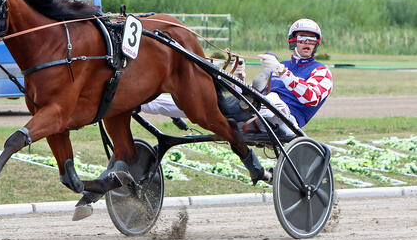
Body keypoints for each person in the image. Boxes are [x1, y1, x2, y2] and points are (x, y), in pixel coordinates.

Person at [140, 18, 333, 185]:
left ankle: (245, 102)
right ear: (293, 42)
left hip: (286, 121)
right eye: (302, 39)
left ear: (317, 44)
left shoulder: (321, 71)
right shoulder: (279, 67)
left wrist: (282, 72)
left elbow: (311, 96)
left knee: (272, 100)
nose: (307, 43)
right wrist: (240, 77)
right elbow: (260, 92)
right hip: (254, 115)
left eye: (311, 39)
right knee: (195, 101)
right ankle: (134, 102)